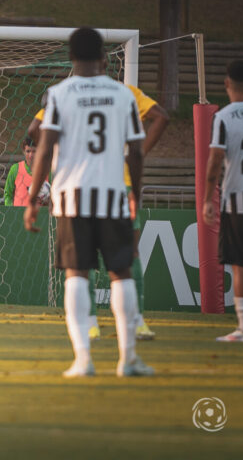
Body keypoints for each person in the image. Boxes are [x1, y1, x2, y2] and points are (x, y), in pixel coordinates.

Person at [24, 27, 152, 377]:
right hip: (112, 194)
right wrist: (135, 195)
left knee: (77, 274)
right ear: (104, 57)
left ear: (70, 57)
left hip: (71, 197)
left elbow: (45, 147)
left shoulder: (58, 94)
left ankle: (82, 359)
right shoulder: (123, 95)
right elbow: (137, 152)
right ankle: (128, 359)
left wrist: (34, 198)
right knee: (120, 273)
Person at [28, 66, 169, 341]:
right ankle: (136, 322)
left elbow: (35, 130)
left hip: (76, 186)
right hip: (119, 183)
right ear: (103, 63)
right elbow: (161, 117)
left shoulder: (64, 95)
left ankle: (89, 324)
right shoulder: (124, 93)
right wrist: (134, 155)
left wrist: (60, 153)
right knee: (128, 257)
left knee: (81, 262)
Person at [203, 60, 243, 342]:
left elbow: (214, 160)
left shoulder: (224, 117)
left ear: (226, 84)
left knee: (240, 262)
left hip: (238, 199)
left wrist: (207, 199)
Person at [3, 136, 50, 206]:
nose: (31, 155)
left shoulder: (47, 171)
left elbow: (54, 197)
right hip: (17, 215)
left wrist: (47, 202)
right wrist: (11, 211)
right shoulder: (15, 169)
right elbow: (7, 194)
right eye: (28, 151)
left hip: (39, 214)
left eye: (34, 151)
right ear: (23, 152)